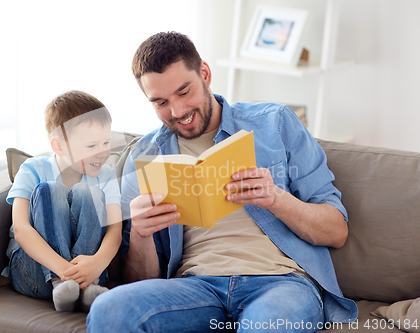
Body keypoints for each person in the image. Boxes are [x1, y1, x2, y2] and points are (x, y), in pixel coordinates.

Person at [87, 32, 358, 332]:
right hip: (195, 289)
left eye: (184, 91)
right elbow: (140, 283)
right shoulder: (145, 156)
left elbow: (337, 232)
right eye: (161, 102)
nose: (178, 112)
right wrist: (140, 234)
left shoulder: (275, 122)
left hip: (280, 284)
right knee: (108, 310)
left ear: (205, 73)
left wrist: (276, 199)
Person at [2, 90, 122, 312]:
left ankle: (85, 290)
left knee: (90, 193)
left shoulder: (106, 175)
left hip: (90, 276)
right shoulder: (32, 169)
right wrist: (66, 273)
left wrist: (96, 265)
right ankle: (63, 285)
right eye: (92, 146)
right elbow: (21, 229)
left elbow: (115, 228)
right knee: (50, 190)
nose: (103, 152)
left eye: (106, 142)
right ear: (58, 146)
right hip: (36, 271)